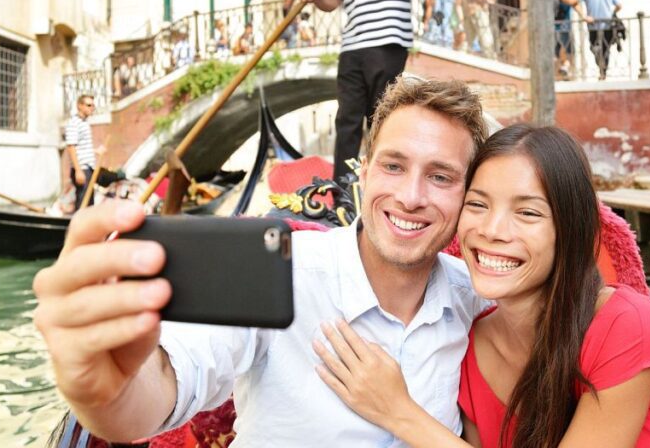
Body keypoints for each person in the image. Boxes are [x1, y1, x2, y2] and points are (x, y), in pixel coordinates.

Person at [32, 77, 491, 445]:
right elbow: (173, 377)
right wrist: (112, 393)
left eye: (440, 177)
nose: (411, 197)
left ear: (468, 196)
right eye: (393, 166)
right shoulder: (277, 274)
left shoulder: (478, 300)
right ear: (365, 172)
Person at [314, 123, 650, 448]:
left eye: (527, 213)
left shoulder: (626, 325)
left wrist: (397, 411)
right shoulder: (470, 345)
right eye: (478, 204)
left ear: (570, 229)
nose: (492, 231)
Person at [300, 0, 454, 183]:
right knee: (346, 121)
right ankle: (344, 191)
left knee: (381, 121)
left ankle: (381, 184)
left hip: (386, 44)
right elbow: (332, 2)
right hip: (351, 48)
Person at [578, 0, 621, 80]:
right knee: (606, 50)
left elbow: (574, 1)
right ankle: (603, 72)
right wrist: (611, 13)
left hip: (594, 26)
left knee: (594, 47)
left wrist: (583, 16)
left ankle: (602, 70)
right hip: (608, 25)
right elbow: (619, 5)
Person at [64, 94, 98, 211]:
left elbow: (82, 147)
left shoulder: (84, 123)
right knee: (83, 203)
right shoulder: (74, 123)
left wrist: (96, 151)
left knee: (89, 203)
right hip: (82, 169)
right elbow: (71, 146)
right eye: (89, 105)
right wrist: (78, 171)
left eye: (92, 106)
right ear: (79, 106)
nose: (92, 108)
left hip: (88, 168)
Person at [553, 0, 585, 80]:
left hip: (553, 25)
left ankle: (555, 74)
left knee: (556, 51)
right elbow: (573, 3)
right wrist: (583, 16)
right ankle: (567, 69)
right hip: (564, 25)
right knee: (570, 50)